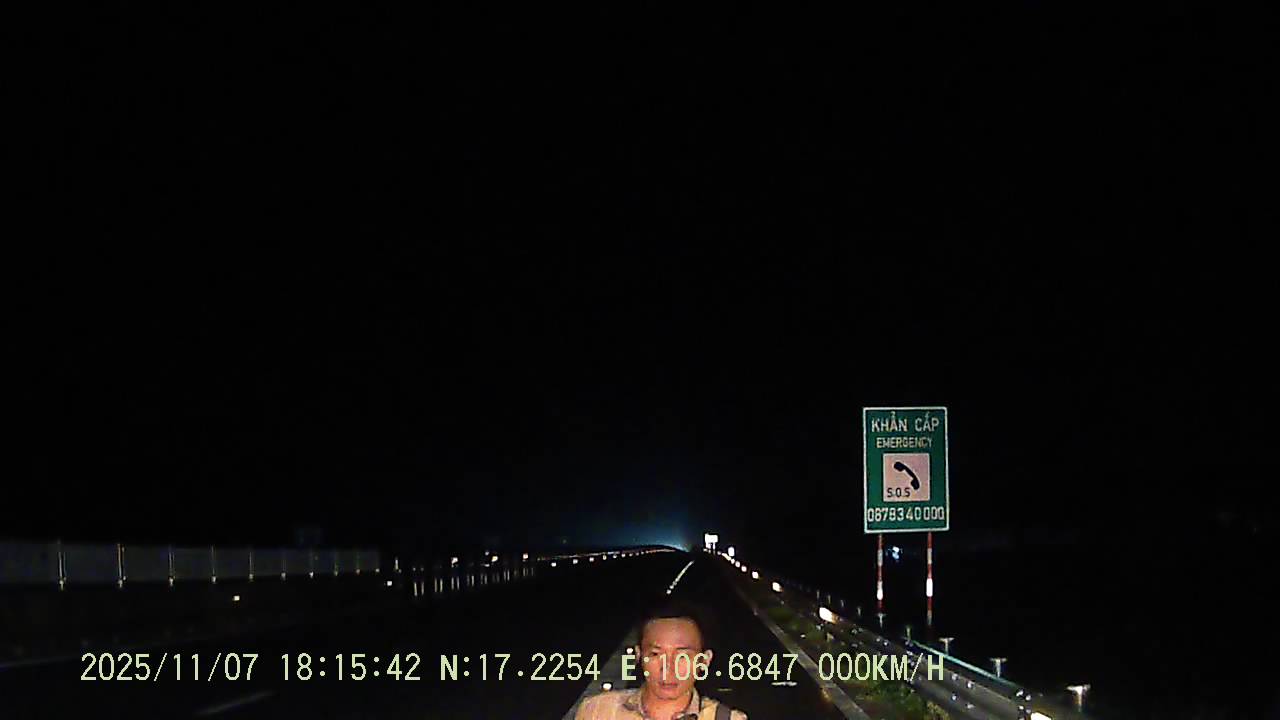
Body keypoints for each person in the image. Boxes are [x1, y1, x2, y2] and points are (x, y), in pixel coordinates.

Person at [575, 599, 746, 720]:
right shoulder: (596, 711)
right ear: (639, 656)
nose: (668, 669)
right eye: (655, 654)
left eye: (682, 656)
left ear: (704, 661)